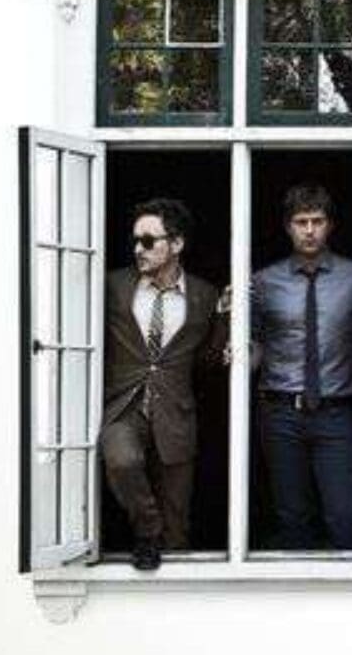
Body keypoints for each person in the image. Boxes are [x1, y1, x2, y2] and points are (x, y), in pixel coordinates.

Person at [100, 198, 222, 571]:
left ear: (177, 244)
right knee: (121, 460)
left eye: (149, 241)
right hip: (124, 406)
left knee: (177, 526)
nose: (139, 249)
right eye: (136, 241)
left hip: (176, 414)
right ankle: (146, 530)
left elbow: (207, 362)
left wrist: (229, 324)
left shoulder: (204, 295)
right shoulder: (113, 286)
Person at [250, 183, 352, 550]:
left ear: (329, 225)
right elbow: (253, 344)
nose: (309, 230)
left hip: (337, 412)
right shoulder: (263, 282)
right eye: (301, 222)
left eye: (317, 221)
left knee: (345, 517)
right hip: (280, 412)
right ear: (288, 227)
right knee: (292, 516)